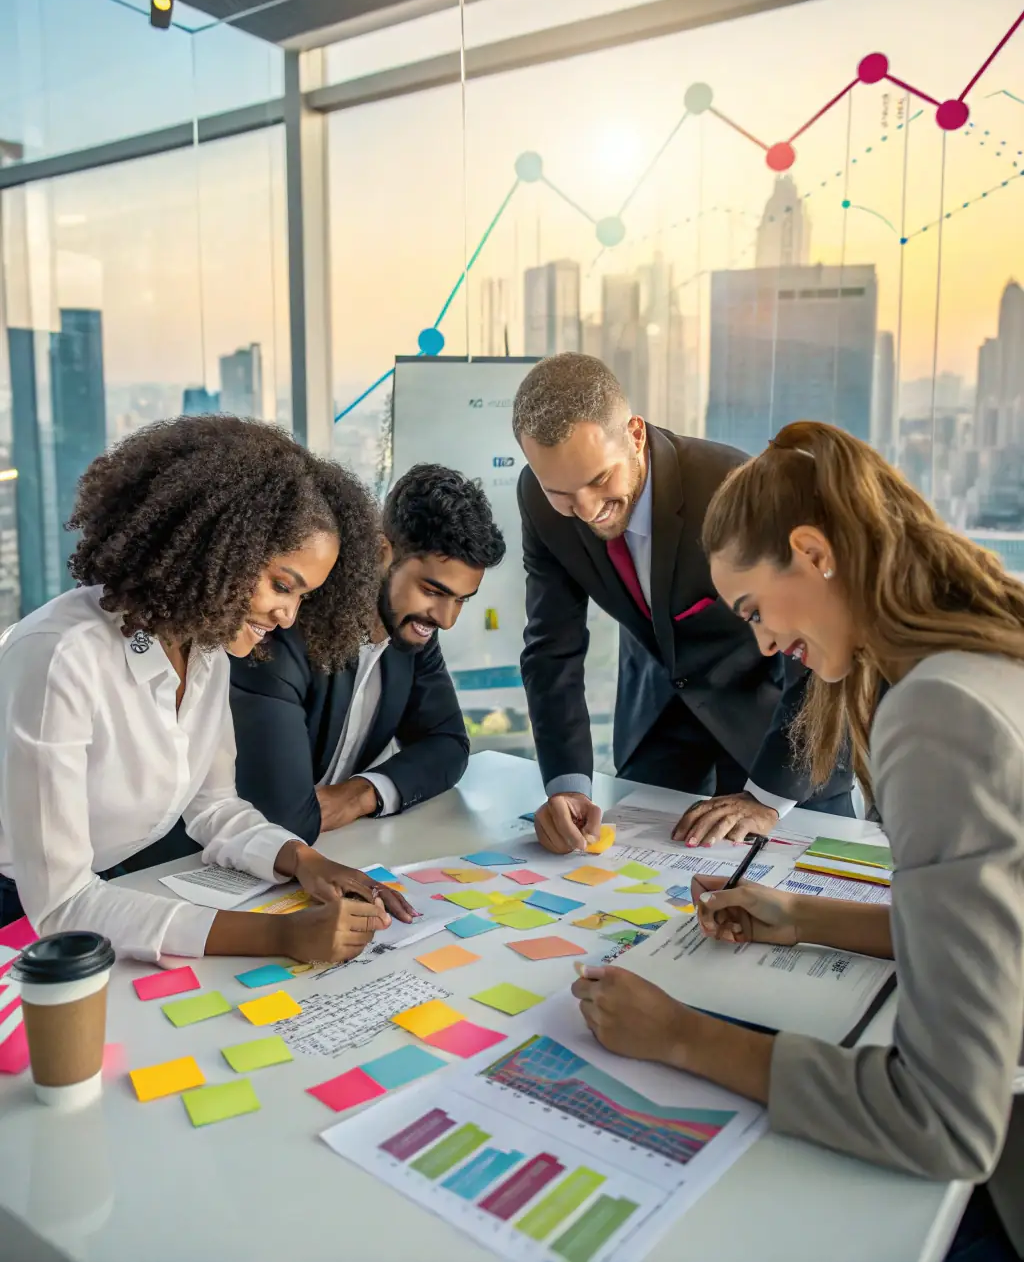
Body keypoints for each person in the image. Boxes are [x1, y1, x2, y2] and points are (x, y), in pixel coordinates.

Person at [571, 421, 1024, 1259]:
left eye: (753, 610)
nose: (765, 645)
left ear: (814, 552)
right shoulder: (981, 660)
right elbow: (1000, 938)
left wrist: (681, 1035)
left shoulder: (939, 713)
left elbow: (945, 1119)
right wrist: (807, 916)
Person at [0, 416, 417, 967]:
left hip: (97, 896)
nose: (288, 616)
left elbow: (213, 806)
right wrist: (282, 936)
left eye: (303, 597)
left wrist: (304, 861)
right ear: (214, 547)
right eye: (281, 585)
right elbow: (61, 903)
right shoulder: (63, 657)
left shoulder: (205, 648)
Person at [513, 354, 853, 856]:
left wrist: (767, 798)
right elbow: (551, 647)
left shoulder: (732, 486)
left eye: (599, 480)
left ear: (634, 433)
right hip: (659, 734)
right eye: (561, 491)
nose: (584, 510)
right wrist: (567, 783)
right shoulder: (540, 501)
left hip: (780, 740)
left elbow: (823, 641)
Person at [229, 464, 505, 840]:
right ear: (381, 553)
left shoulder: (413, 631)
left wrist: (362, 794)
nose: (446, 619)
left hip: (329, 851)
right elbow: (284, 816)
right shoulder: (284, 630)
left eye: (462, 601)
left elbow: (449, 745)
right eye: (434, 591)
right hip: (203, 865)